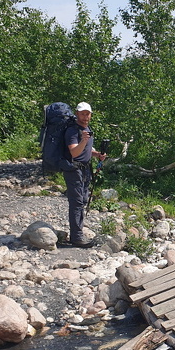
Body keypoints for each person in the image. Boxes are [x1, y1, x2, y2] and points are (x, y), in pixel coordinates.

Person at [63, 102, 106, 247]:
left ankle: (78, 232)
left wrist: (97, 154)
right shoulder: (72, 131)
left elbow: (85, 150)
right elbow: (74, 152)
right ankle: (76, 237)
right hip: (73, 169)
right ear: (77, 114)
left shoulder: (87, 129)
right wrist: (83, 140)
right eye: (82, 113)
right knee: (77, 202)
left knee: (82, 200)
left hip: (85, 170)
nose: (85, 116)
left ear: (91, 115)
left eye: (88, 114)